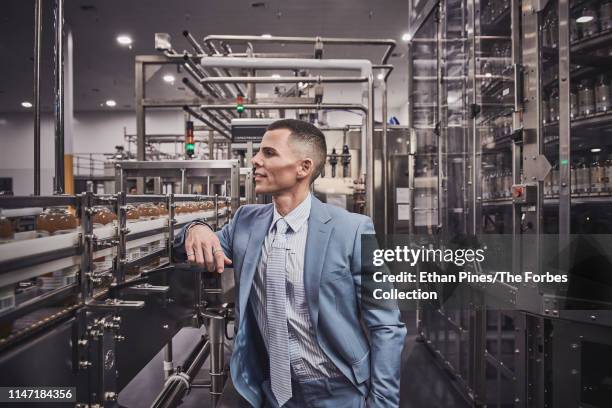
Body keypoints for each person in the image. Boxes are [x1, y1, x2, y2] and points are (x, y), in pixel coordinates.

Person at [174, 119, 406, 407]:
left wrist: (383, 402)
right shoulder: (245, 223)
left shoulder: (354, 229)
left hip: (338, 389)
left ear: (303, 168)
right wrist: (195, 227)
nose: (255, 160)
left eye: (269, 153)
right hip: (271, 390)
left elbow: (386, 324)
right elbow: (185, 250)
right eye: (258, 152)